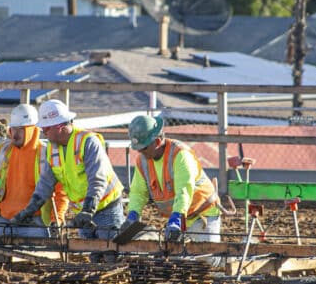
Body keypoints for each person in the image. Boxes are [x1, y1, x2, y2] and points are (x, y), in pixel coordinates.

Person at [13, 99, 124, 240]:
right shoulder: (52, 149)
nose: (43, 132)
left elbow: (97, 179)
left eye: (46, 128)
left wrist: (88, 209)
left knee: (110, 251)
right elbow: (45, 184)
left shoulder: (88, 142)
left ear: (59, 126)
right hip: (82, 212)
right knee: (92, 255)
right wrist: (29, 210)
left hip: (106, 207)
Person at [120, 115, 222, 244]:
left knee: (209, 259)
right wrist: (132, 215)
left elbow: (184, 190)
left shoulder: (180, 155)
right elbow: (138, 192)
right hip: (179, 217)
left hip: (203, 214)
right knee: (180, 260)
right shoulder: (143, 161)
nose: (141, 152)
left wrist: (176, 220)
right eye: (138, 149)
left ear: (157, 142)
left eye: (144, 148)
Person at [0, 103, 68, 237]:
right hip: (5, 219)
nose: (15, 134)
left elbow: (61, 192)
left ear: (33, 130)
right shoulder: (3, 151)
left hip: (35, 222)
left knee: (33, 256)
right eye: (13, 129)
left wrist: (57, 219)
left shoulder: (47, 155)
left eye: (21, 130)